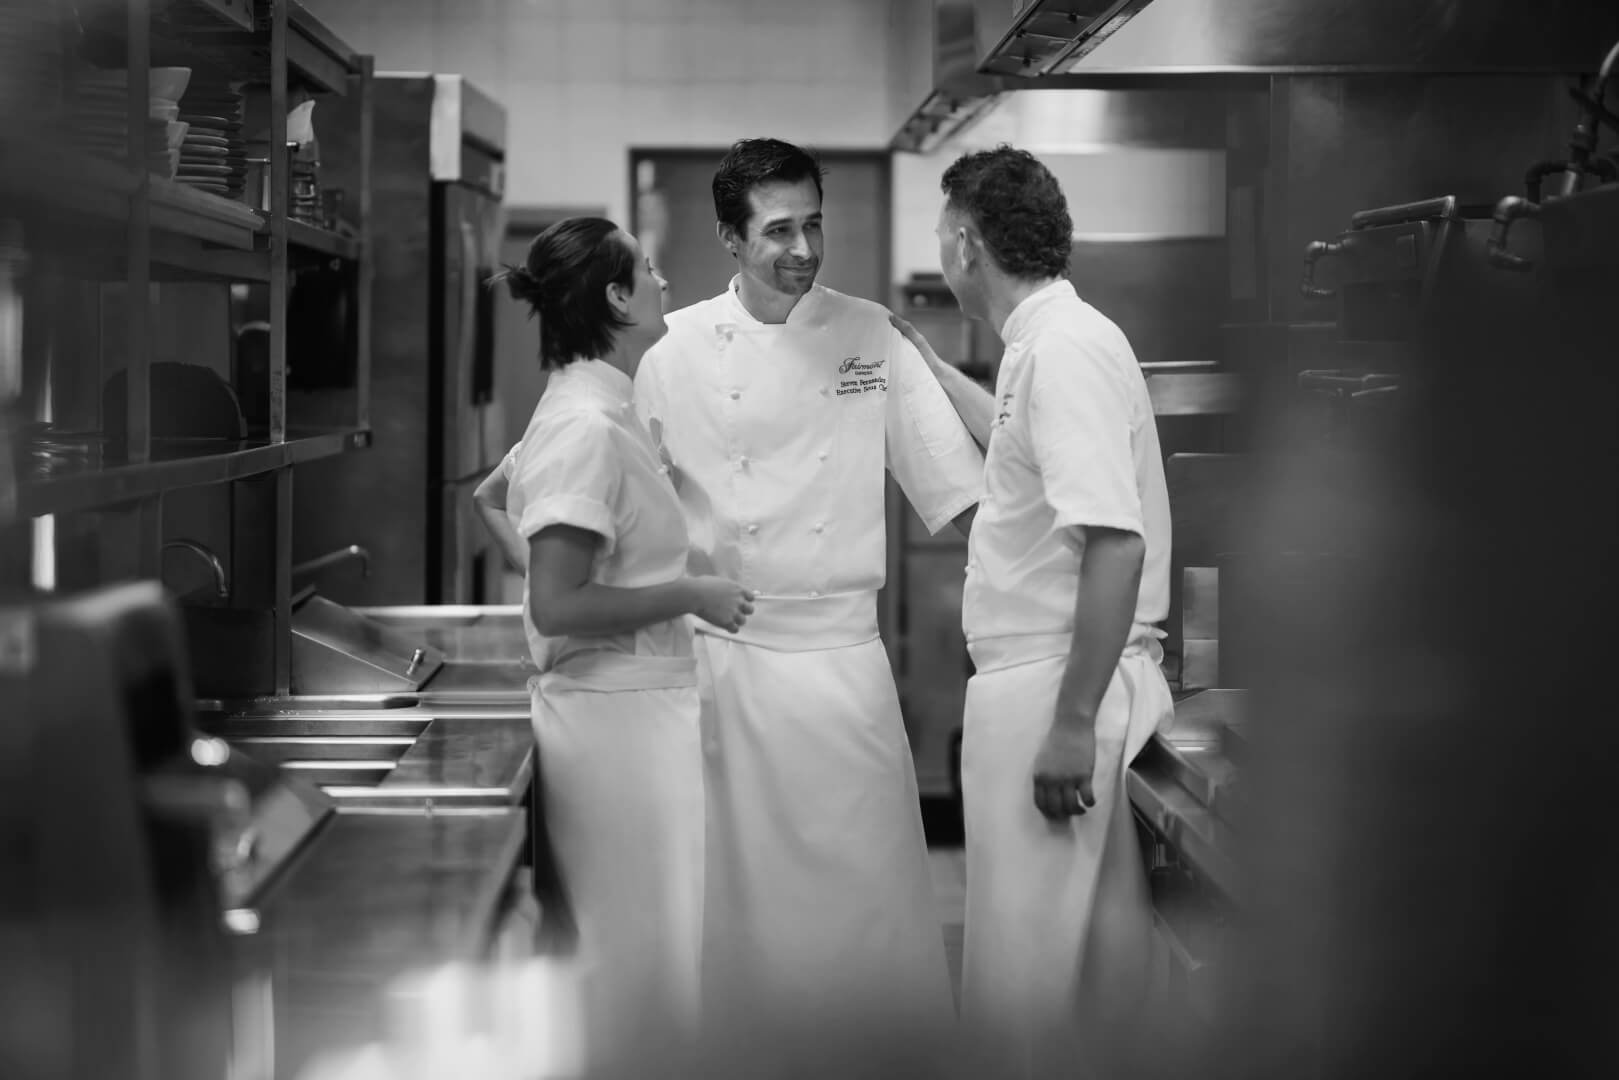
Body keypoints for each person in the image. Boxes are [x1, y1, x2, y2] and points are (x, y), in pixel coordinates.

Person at [633, 138, 984, 1074]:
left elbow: (961, 495)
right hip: (728, 665)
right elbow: (622, 506)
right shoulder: (671, 351)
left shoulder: (869, 333)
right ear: (728, 238)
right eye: (778, 229)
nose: (802, 247)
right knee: (739, 919)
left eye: (812, 223)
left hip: (845, 665)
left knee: (870, 906)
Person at [889, 146, 1175, 1077]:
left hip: (1060, 685)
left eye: (940, 230)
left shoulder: (1063, 351)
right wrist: (932, 368)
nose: (939, 247)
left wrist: (1071, 723)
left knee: (1026, 988)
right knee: (1073, 979)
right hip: (1046, 681)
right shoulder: (1040, 346)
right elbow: (1018, 443)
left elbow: (1115, 542)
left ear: (966, 244)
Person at [480, 216, 755, 1075]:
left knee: (651, 954)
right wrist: (690, 594)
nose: (664, 279)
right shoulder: (585, 427)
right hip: (612, 731)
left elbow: (492, 496)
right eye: (648, 268)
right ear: (614, 296)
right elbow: (558, 604)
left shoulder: (597, 405)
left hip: (630, 718)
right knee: (633, 965)